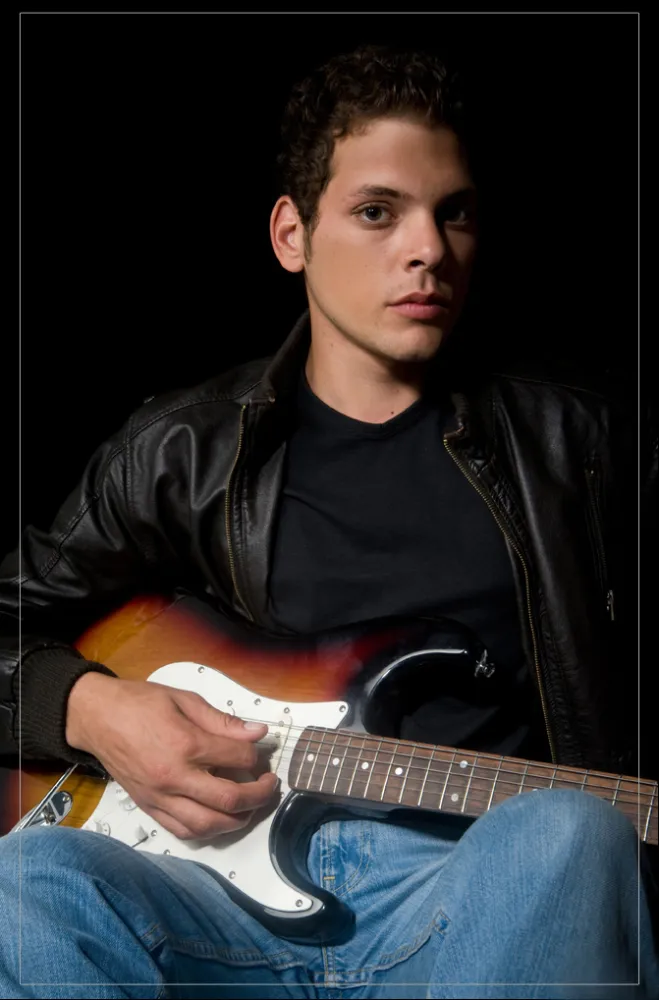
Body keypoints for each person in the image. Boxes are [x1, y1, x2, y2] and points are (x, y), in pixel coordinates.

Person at [0, 42, 656, 1000]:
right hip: (209, 895)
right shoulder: (180, 452)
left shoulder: (582, 446)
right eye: (377, 212)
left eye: (452, 212)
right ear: (291, 234)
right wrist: (92, 708)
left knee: (569, 830)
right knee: (26, 882)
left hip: (476, 895)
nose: (427, 248)